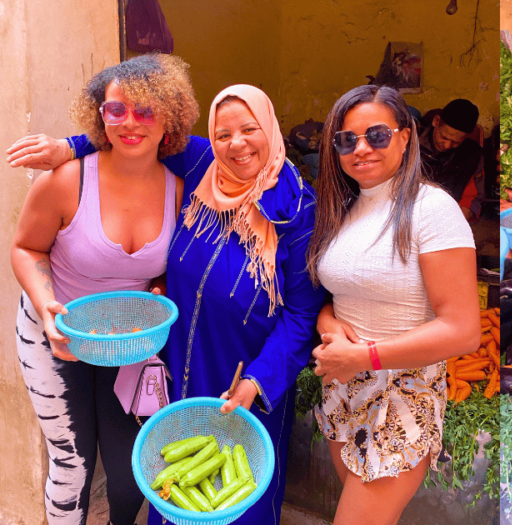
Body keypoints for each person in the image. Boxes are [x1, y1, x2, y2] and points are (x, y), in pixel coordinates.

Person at [8, 84, 326, 525]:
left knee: (235, 490)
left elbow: (300, 316)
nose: (236, 145)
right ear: (209, 138)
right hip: (177, 362)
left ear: (269, 129)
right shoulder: (201, 165)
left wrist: (257, 381)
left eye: (249, 129)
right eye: (223, 134)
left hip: (246, 371)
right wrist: (69, 146)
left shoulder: (297, 210)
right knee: (174, 478)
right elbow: (133, 137)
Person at [9, 54, 195, 525]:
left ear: (169, 116)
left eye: (146, 110)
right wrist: (45, 306)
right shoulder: (67, 179)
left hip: (128, 346)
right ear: (99, 115)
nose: (130, 123)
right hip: (55, 338)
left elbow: (176, 264)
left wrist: (158, 285)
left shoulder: (179, 189)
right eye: (116, 110)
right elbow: (27, 249)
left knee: (131, 477)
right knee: (72, 468)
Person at [306, 85, 480, 525]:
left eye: (377, 135)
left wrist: (363, 356)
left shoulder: (432, 209)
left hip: (401, 396)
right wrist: (329, 324)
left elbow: (463, 329)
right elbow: (336, 295)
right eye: (347, 140)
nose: (361, 148)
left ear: (406, 136)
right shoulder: (343, 207)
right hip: (344, 391)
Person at [418, 98, 485, 221]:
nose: (447, 145)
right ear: (436, 121)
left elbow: (471, 199)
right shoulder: (410, 145)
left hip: (449, 219)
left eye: (456, 142)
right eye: (444, 137)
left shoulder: (472, 155)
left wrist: (454, 223)